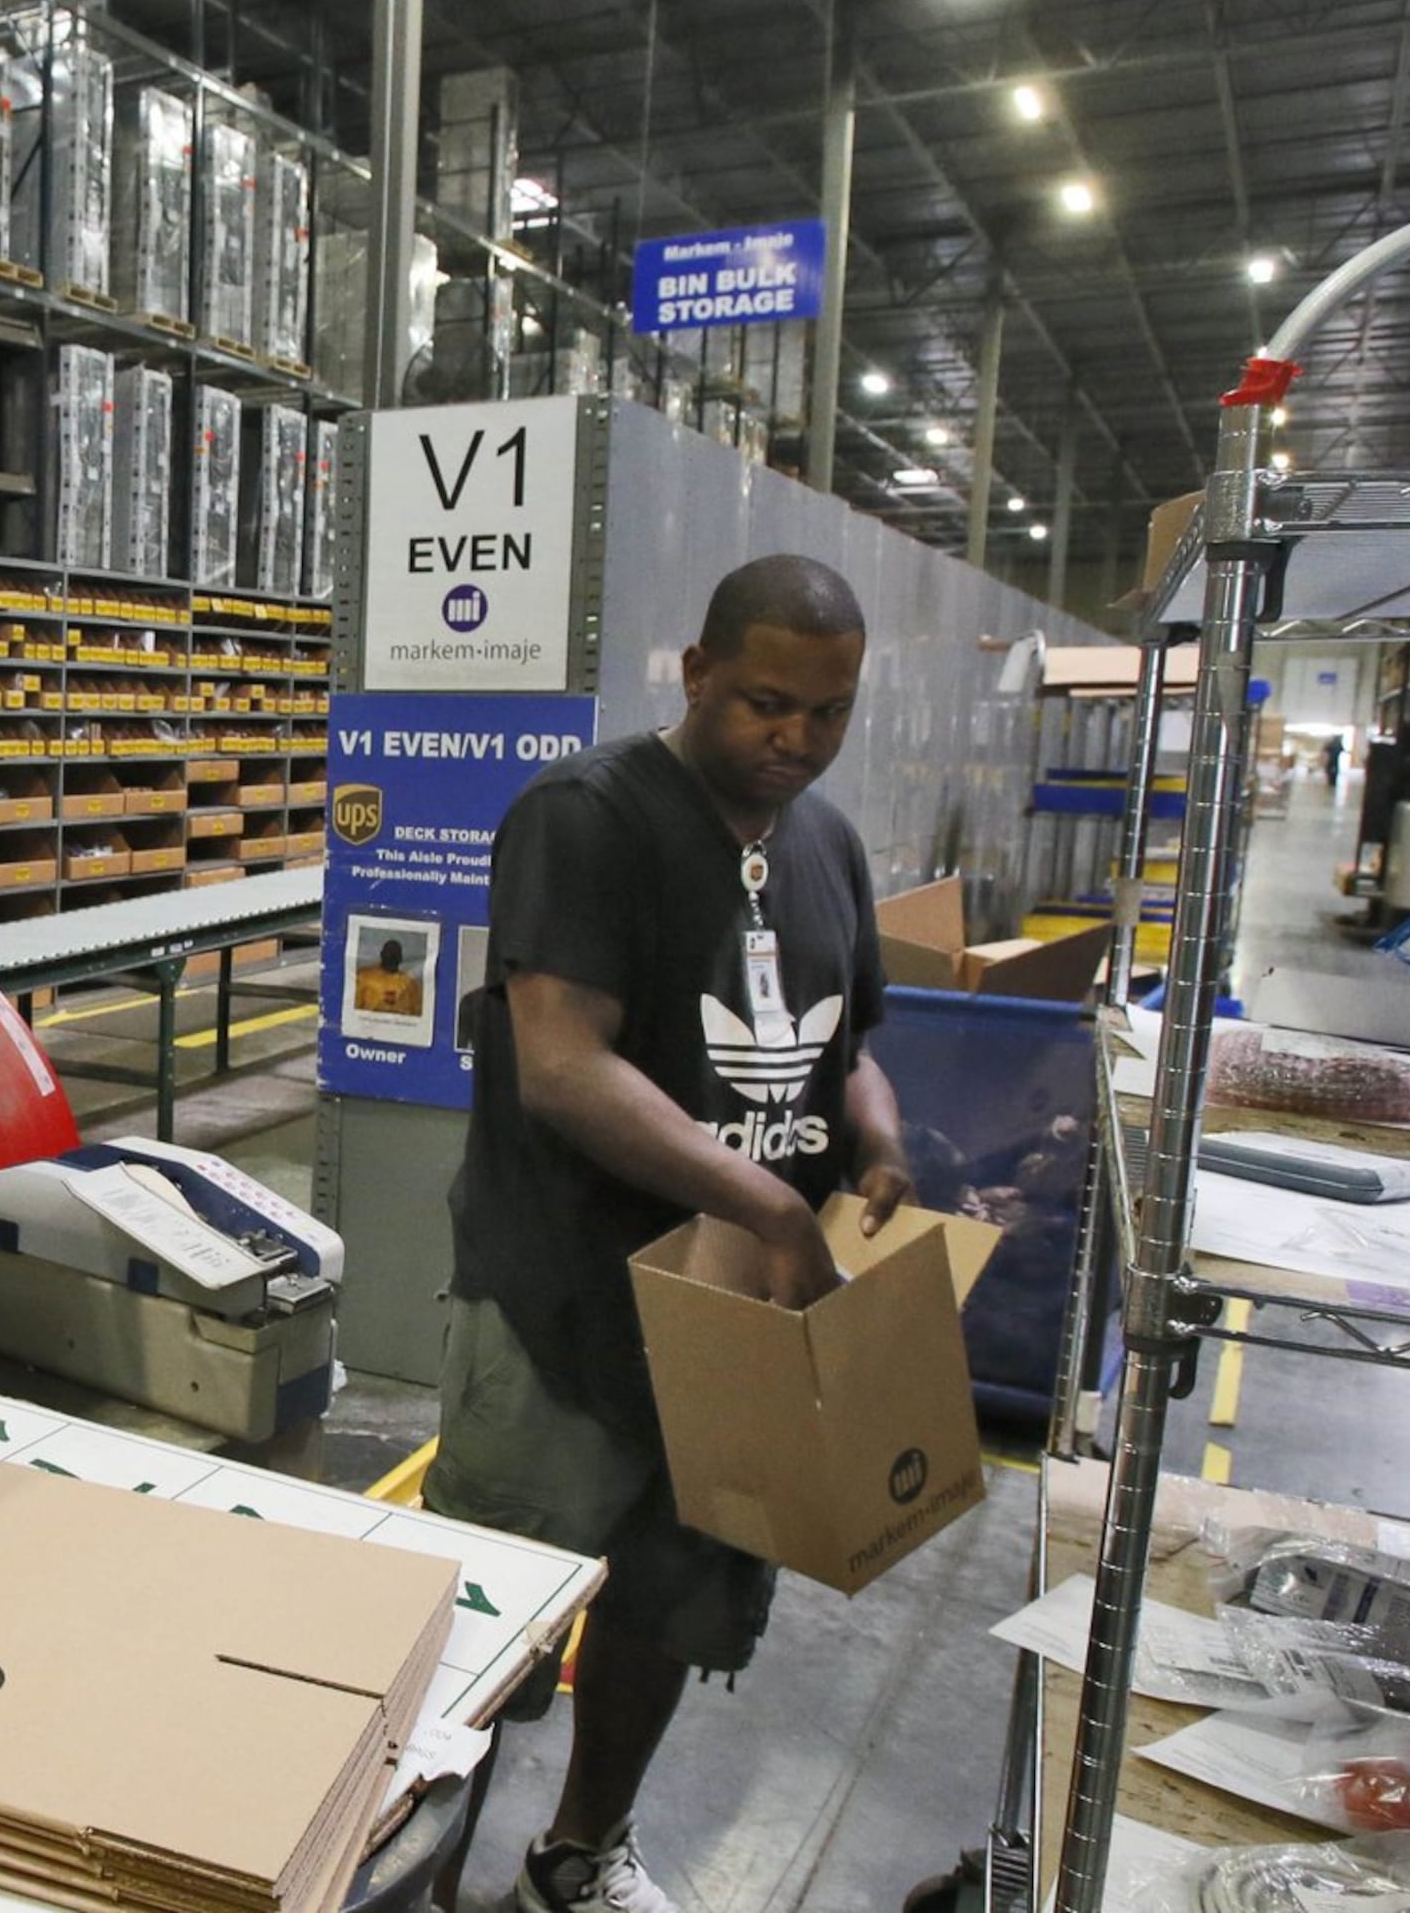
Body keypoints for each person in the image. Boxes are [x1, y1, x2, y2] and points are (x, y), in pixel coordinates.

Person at [431, 556, 916, 1913]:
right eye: (767, 703)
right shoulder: (585, 819)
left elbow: (846, 1046)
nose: (798, 738)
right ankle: (420, 1880)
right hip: (567, 1304)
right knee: (489, 1632)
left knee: (669, 1601)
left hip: (733, 1329)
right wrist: (766, 1201)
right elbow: (562, 1065)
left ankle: (578, 1854)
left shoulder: (826, 845)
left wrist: (879, 1140)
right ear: (696, 672)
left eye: (830, 712)